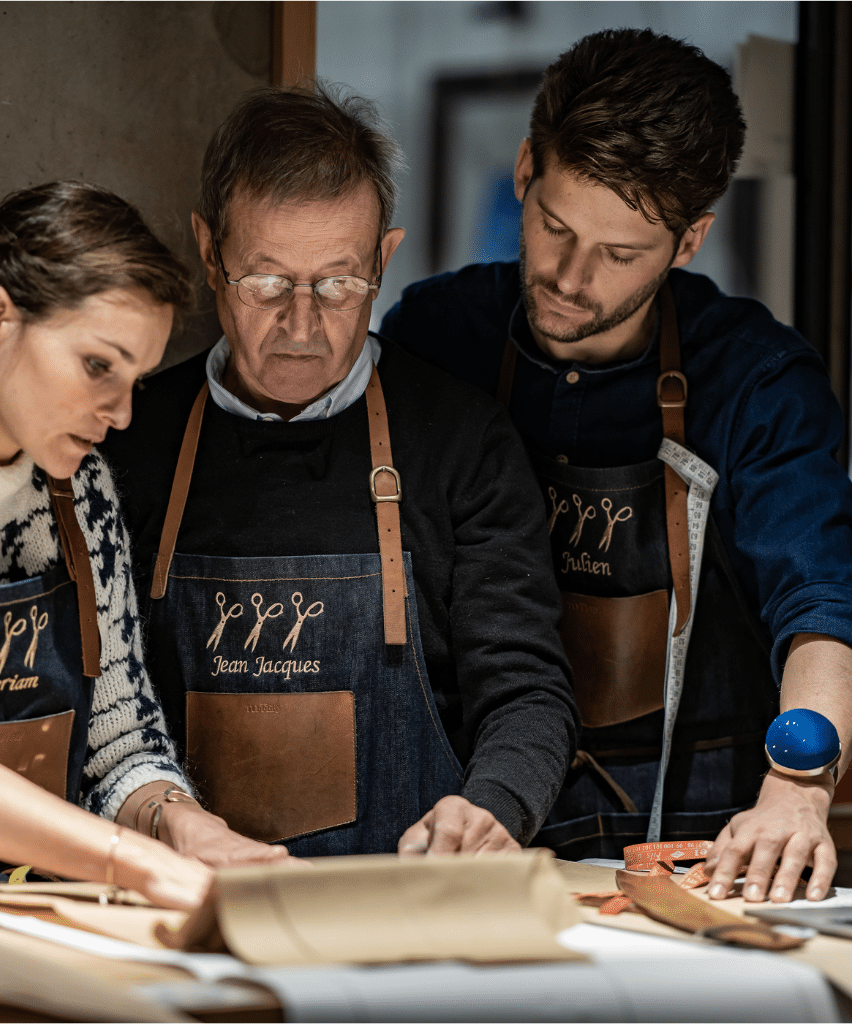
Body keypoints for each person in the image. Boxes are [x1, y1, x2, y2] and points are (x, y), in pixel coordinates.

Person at [381, 28, 852, 902]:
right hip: (472, 819)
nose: (567, 274)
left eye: (620, 254)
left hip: (701, 839)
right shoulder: (434, 338)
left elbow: (821, 603)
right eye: (553, 226)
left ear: (690, 239)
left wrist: (796, 789)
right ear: (525, 168)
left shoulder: (756, 379)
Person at [101, 85, 578, 858]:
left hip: (401, 906)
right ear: (207, 249)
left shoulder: (462, 441)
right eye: (265, 282)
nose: (301, 323)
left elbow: (526, 692)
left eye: (338, 283)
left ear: (385, 260)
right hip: (182, 905)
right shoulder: (126, 437)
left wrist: (493, 808)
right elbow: (100, 713)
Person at [0, 180, 287, 900]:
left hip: (36, 919)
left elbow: (118, 745)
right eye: (99, 366)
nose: (123, 413)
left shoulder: (79, 496)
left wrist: (178, 821)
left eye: (135, 379)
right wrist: (132, 862)